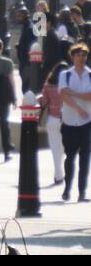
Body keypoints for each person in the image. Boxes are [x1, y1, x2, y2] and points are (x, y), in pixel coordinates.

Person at [58, 43, 91, 201]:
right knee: (70, 157)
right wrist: (78, 108)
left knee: (85, 158)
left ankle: (82, 192)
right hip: (70, 122)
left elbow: (89, 96)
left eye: (84, 55)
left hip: (87, 122)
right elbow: (64, 95)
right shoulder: (65, 75)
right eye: (79, 55)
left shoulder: (90, 74)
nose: (82, 58)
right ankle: (67, 188)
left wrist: (74, 93)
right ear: (73, 57)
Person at [40, 63, 67, 188]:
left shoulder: (48, 85)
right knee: (62, 148)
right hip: (66, 120)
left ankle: (58, 175)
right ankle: (61, 173)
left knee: (55, 149)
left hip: (52, 119)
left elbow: (44, 102)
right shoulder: (68, 86)